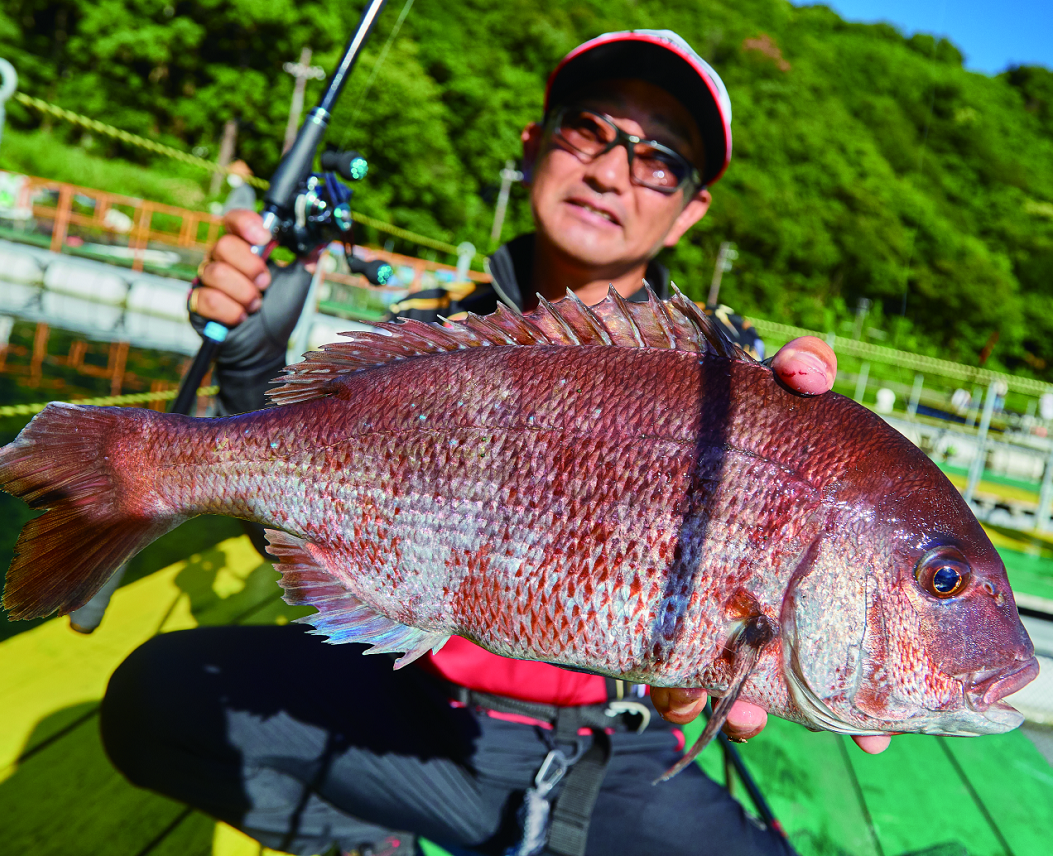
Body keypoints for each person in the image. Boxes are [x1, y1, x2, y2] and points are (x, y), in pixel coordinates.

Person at [101, 31, 879, 856]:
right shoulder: (431, 340)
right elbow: (299, 525)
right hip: (410, 705)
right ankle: (373, 839)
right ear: (534, 147)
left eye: (659, 160)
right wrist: (250, 370)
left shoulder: (736, 385)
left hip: (617, 749)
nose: (611, 172)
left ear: (690, 211)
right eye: (588, 129)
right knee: (153, 700)